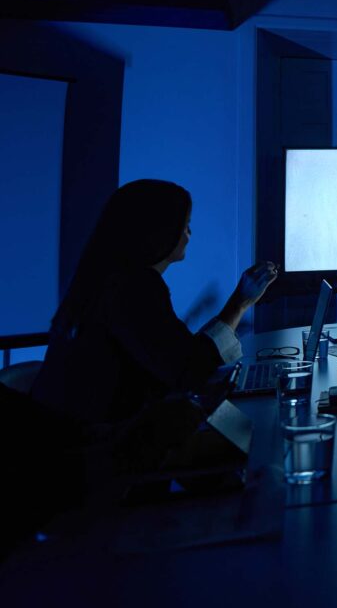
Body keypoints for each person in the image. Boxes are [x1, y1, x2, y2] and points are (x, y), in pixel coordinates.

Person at [32, 179, 278, 424]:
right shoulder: (132, 287)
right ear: (159, 231)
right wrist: (240, 303)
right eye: (185, 225)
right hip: (96, 448)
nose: (189, 234)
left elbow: (175, 358)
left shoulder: (105, 278)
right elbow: (187, 371)